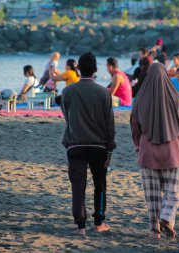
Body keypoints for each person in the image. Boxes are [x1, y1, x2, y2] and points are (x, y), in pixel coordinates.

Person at [130, 62, 179, 239]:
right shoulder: (176, 97)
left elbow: (134, 126)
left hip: (148, 152)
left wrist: (138, 145)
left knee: (152, 195)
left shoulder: (140, 98)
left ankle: (155, 231)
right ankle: (167, 218)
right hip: (171, 151)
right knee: (172, 190)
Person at [61, 52, 116, 236]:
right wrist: (109, 148)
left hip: (75, 144)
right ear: (96, 70)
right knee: (100, 184)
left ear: (78, 69)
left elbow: (67, 118)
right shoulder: (103, 93)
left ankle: (81, 226)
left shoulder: (67, 91)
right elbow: (110, 124)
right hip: (98, 146)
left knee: (78, 186)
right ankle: (99, 223)